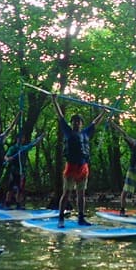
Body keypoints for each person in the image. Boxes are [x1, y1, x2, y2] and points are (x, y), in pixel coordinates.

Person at [52, 94, 107, 228]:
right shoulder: (68, 131)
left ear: (82, 124)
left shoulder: (86, 133)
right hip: (71, 166)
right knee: (66, 193)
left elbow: (95, 122)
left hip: (83, 167)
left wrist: (104, 112)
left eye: (78, 121)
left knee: (81, 194)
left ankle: (81, 218)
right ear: (72, 123)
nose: (76, 123)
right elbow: (60, 116)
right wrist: (54, 101)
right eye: (74, 121)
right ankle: (61, 218)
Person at [3, 132, 44, 209]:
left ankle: (18, 203)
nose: (21, 139)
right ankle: (7, 203)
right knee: (10, 188)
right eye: (20, 138)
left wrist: (40, 137)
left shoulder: (24, 148)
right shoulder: (13, 148)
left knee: (20, 188)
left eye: (22, 138)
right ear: (17, 139)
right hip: (14, 170)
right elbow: (6, 156)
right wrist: (8, 159)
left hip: (22, 171)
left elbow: (33, 144)